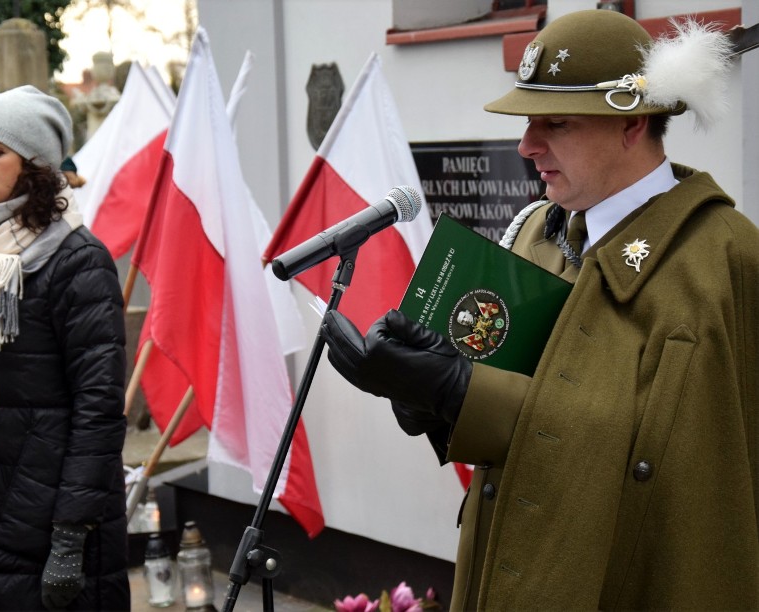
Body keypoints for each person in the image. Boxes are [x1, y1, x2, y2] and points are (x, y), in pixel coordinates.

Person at [320, 10, 758, 610]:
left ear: (631, 123)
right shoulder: (534, 232)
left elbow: (676, 465)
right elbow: (517, 420)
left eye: (555, 122)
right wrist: (435, 403)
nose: (527, 146)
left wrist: (459, 390)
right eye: (528, 121)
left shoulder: (723, 259)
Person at [0, 85, 130, 611]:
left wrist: (69, 539)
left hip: (46, 531)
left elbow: (99, 411)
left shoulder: (79, 262)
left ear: (33, 164)